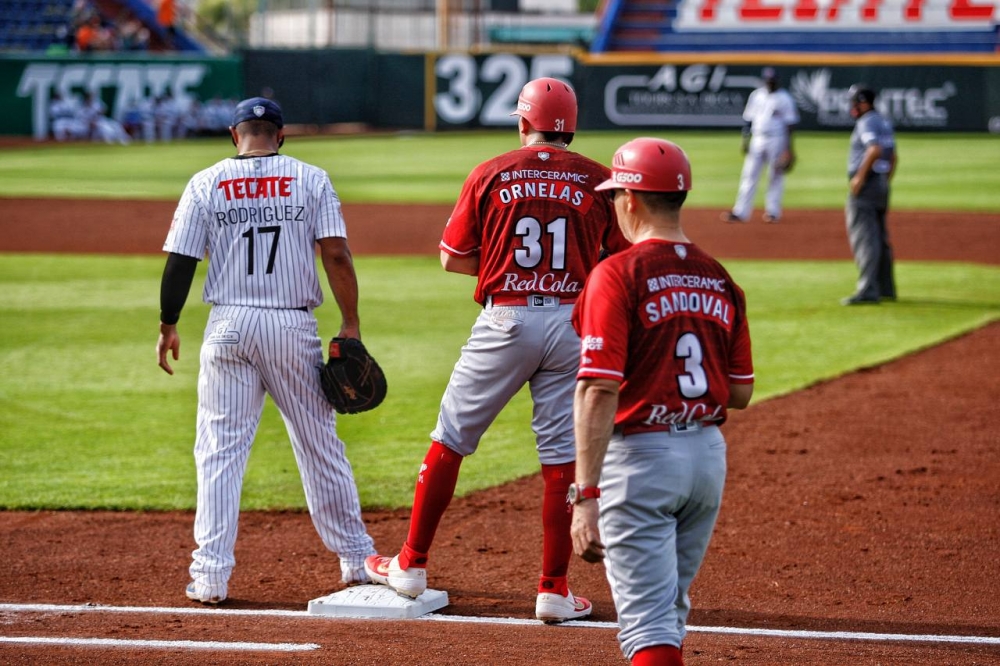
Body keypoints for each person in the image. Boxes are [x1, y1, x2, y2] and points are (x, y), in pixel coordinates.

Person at [363, 77, 629, 623]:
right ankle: (553, 589)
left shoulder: (492, 171)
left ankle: (410, 565)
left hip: (506, 316)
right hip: (573, 321)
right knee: (560, 456)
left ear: (523, 121)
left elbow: (453, 257)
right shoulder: (600, 180)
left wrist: (501, 266)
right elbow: (618, 262)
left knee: (452, 438)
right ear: (570, 124)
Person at [155, 96, 376, 604]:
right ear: (280, 135)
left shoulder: (205, 182)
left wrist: (168, 323)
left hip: (226, 326)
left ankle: (210, 577)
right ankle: (356, 559)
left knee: (218, 453)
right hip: (289, 327)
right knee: (318, 444)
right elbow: (336, 254)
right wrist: (351, 322)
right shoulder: (311, 177)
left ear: (235, 135)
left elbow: (181, 263)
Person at [571, 137, 755, 665]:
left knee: (646, 627)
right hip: (705, 460)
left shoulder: (617, 273)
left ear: (629, 199)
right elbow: (740, 392)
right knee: (668, 612)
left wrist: (585, 494)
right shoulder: (720, 277)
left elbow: (598, 386)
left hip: (642, 461)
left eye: (613, 196)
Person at [842, 84, 898, 305]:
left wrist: (860, 178)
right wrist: (885, 180)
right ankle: (886, 288)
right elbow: (893, 157)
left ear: (864, 102)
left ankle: (868, 290)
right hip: (881, 184)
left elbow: (873, 149)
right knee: (880, 239)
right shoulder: (883, 121)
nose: (852, 106)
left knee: (865, 238)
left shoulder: (867, 122)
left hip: (867, 186)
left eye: (854, 101)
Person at [722, 67, 799, 224]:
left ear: (777, 80)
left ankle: (772, 212)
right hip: (757, 138)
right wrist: (745, 141)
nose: (770, 82)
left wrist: (789, 149)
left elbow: (790, 125)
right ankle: (741, 212)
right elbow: (748, 120)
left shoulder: (785, 99)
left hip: (777, 139)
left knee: (775, 176)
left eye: (772, 79)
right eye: (768, 79)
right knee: (749, 175)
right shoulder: (756, 95)